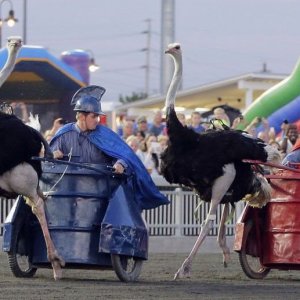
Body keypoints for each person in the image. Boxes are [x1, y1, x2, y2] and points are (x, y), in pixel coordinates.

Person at [50, 85, 169, 210]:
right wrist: (53, 155)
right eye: (93, 116)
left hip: (99, 197)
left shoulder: (104, 134)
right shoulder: (63, 134)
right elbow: (48, 161)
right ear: (80, 116)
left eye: (98, 116)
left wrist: (121, 164)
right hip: (69, 197)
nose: (97, 120)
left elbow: (123, 155)